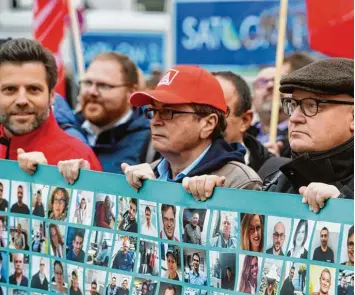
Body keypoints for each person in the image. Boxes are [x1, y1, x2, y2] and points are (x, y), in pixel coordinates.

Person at [121, 65, 262, 201]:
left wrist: (215, 201)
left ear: (208, 124)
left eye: (168, 112)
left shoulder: (237, 183)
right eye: (153, 111)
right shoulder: (147, 175)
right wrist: (142, 196)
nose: (155, 121)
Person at [0, 38, 102, 174]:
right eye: (10, 89)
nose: (22, 100)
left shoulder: (79, 159)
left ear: (52, 95)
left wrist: (47, 178)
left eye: (33, 89)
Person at [263, 58, 354, 208]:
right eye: (293, 105)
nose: (294, 118)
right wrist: (214, 197)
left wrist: (343, 207)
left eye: (312, 105)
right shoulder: (277, 180)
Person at [76, 52, 151, 173]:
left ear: (131, 92)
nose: (92, 91)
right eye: (88, 83)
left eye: (104, 85)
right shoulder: (66, 130)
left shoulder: (151, 143)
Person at [212, 71, 273, 172]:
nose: (206, 122)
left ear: (245, 120)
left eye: (217, 112)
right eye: (197, 111)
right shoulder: (178, 166)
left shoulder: (273, 174)